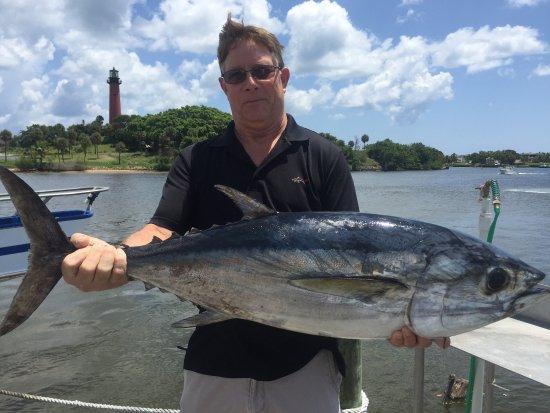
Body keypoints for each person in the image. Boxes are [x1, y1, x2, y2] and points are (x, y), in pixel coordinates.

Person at [62, 15, 449, 413]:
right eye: (236, 75)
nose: (250, 82)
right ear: (223, 86)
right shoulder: (197, 159)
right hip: (214, 365)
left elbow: (355, 256)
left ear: (283, 77)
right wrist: (117, 257)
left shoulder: (323, 157)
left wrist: (399, 316)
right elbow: (162, 227)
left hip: (306, 368)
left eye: (262, 71)